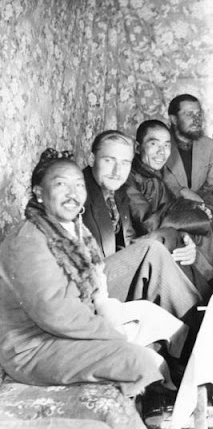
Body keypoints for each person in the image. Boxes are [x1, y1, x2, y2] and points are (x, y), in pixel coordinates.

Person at [0, 149, 187, 397]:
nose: (73, 193)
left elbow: (93, 281)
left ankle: (186, 374)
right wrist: (114, 334)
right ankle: (163, 407)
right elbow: (57, 314)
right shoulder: (28, 241)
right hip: (35, 347)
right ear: (39, 193)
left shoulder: (69, 225)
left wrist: (108, 309)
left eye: (79, 185)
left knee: (161, 321)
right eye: (60, 185)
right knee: (137, 360)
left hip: (71, 322)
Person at [82, 130, 202, 318]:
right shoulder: (79, 191)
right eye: (109, 160)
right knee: (153, 250)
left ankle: (192, 324)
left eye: (124, 163)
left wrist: (182, 239)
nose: (117, 171)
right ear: (92, 158)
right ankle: (196, 325)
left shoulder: (117, 191)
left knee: (168, 245)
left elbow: (129, 243)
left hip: (111, 274)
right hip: (89, 289)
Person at [126, 120, 213, 297]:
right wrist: (191, 217)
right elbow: (147, 224)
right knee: (194, 226)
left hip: (160, 231)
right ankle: (212, 288)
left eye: (166, 145)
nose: (161, 152)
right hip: (139, 244)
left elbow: (170, 205)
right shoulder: (129, 177)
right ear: (137, 147)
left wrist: (193, 213)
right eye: (153, 143)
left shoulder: (153, 173)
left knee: (198, 227)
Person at [162, 94, 213, 248]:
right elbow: (157, 182)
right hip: (169, 205)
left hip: (198, 202)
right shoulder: (161, 144)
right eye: (189, 114)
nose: (196, 119)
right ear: (173, 119)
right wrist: (181, 191)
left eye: (198, 114)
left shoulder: (207, 145)